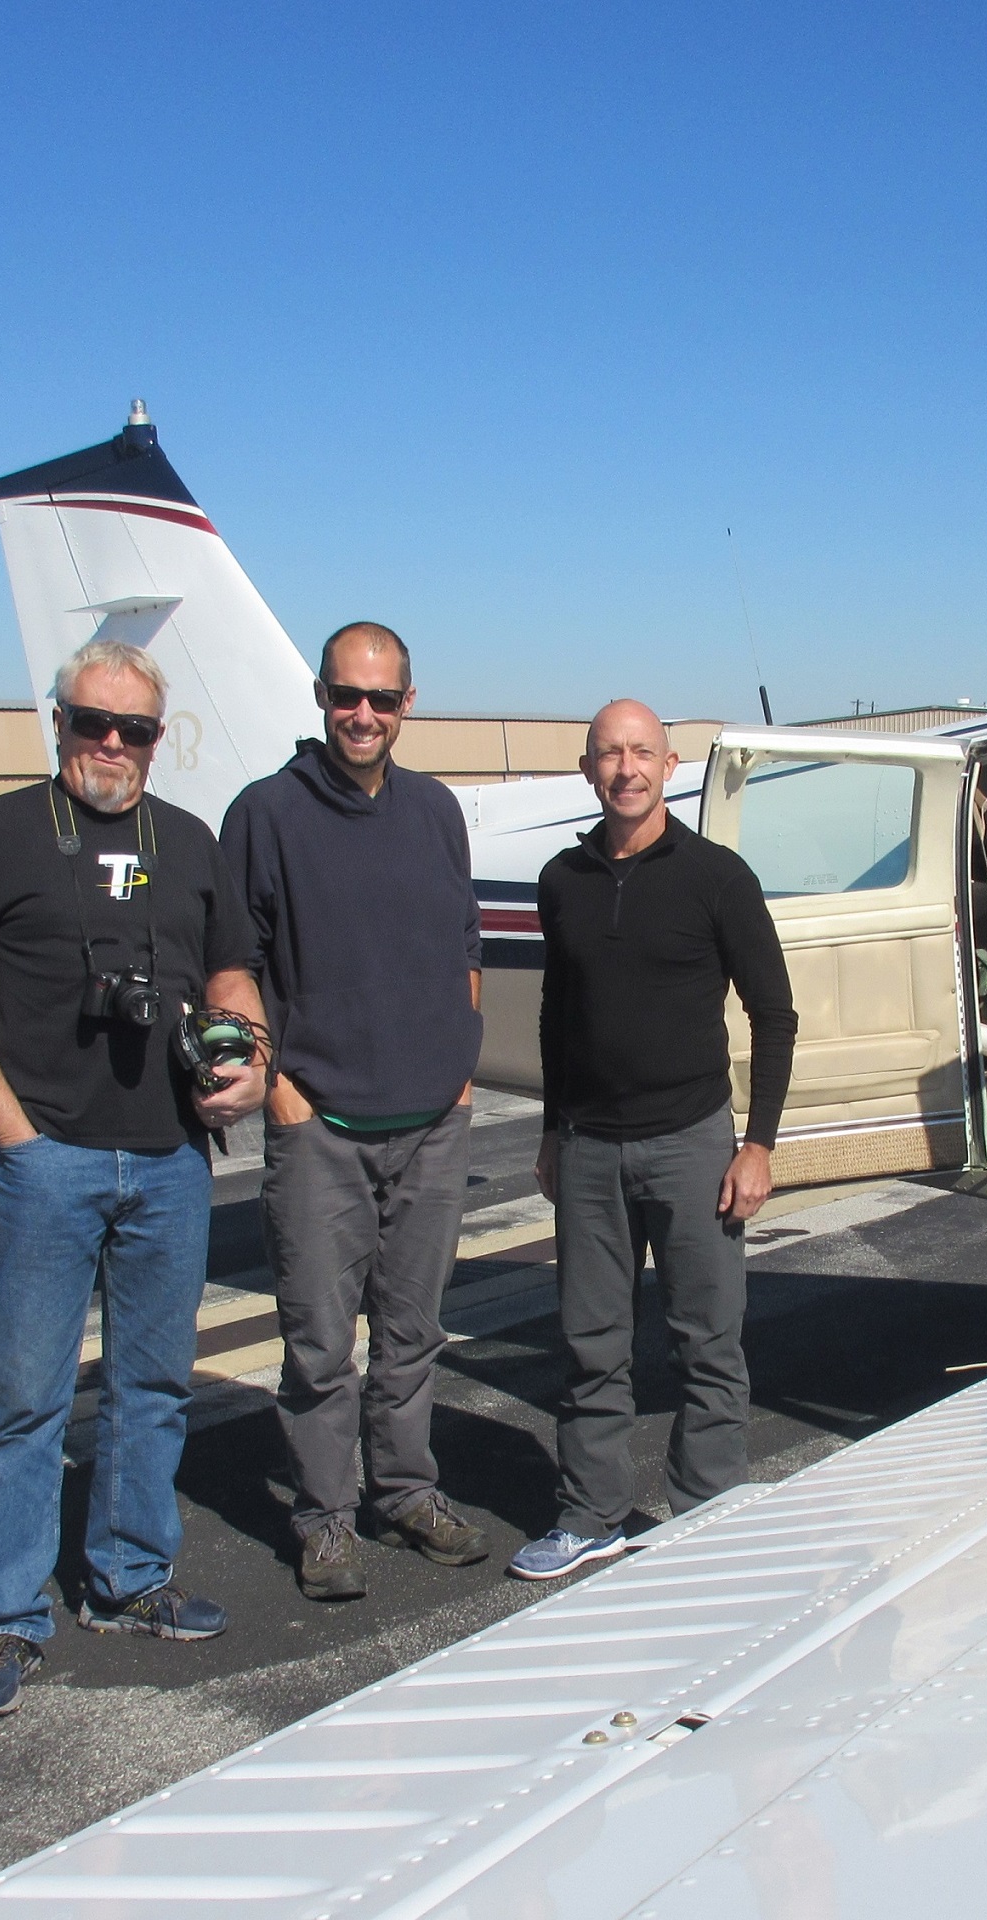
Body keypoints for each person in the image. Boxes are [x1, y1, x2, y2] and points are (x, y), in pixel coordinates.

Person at [0, 638, 268, 1718]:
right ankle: (5, 1619)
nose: (110, 744)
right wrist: (15, 1136)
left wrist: (249, 1056)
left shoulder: (190, 842)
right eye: (91, 722)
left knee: (153, 1387)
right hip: (51, 1155)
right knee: (24, 1400)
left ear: (161, 740)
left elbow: (232, 970)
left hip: (169, 1156)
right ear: (58, 721)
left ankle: (128, 1577)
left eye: (134, 729)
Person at [220, 622, 491, 1599]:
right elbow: (233, 965)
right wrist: (281, 1090)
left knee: (413, 1335)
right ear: (322, 697)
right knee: (319, 1345)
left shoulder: (434, 811)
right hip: (321, 1128)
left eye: (381, 698)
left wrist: (458, 1071)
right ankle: (326, 1518)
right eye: (346, 696)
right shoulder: (265, 813)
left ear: (407, 702)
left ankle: (406, 1491)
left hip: (430, 1124)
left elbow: (463, 947)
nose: (362, 714)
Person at [510, 700, 797, 1581]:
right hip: (591, 1148)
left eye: (641, 753)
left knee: (708, 1340)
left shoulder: (718, 877)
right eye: (609, 754)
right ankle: (592, 1512)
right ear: (589, 767)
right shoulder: (561, 880)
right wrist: (555, 1129)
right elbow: (559, 1015)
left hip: (692, 1143)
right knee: (591, 1344)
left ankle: (706, 1512)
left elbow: (775, 1014)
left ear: (669, 765)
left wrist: (760, 1145)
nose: (625, 769)